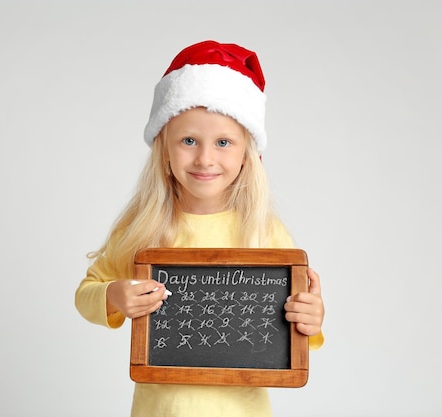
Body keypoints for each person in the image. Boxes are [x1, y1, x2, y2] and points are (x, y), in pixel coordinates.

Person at [75, 40, 325, 417]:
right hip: (161, 410)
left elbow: (294, 331)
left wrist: (311, 319)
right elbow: (87, 293)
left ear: (247, 154)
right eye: (188, 140)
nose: (205, 158)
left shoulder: (264, 232)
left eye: (223, 142)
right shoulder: (144, 228)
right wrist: (114, 295)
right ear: (164, 149)